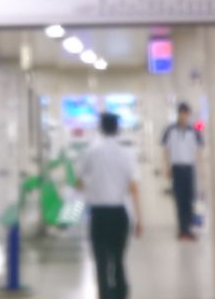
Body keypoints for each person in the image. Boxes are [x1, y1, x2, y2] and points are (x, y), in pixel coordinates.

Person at [78, 112, 143, 299]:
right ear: (118, 129)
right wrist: (139, 219)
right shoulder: (126, 153)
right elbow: (134, 187)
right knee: (118, 259)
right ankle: (121, 294)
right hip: (119, 214)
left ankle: (104, 294)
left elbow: (79, 181)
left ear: (101, 128)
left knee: (101, 261)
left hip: (98, 215)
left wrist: (91, 188)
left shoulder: (91, 151)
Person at [161, 102, 203, 241]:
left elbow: (198, 151)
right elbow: (166, 150)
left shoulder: (194, 130)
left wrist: (201, 169)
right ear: (178, 114)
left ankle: (188, 227)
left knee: (189, 198)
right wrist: (166, 167)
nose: (184, 116)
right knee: (179, 199)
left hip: (189, 168)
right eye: (181, 113)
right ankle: (182, 229)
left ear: (189, 114)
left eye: (186, 114)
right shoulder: (170, 130)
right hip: (176, 168)